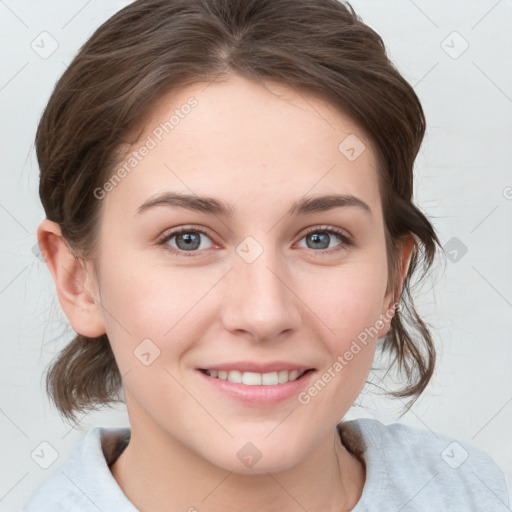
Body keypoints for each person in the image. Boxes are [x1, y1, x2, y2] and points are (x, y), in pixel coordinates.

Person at [22, 0, 510, 510]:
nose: (264, 314)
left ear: (393, 278)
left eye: (321, 238)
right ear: (78, 278)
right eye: (187, 238)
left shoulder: (474, 492)